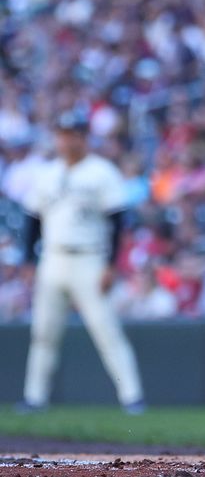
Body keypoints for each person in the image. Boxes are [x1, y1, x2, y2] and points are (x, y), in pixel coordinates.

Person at [16, 112, 145, 414]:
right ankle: (34, 398)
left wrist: (111, 264)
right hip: (52, 259)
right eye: (61, 133)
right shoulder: (46, 173)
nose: (66, 139)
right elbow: (31, 220)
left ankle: (132, 397)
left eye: (72, 133)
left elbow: (117, 221)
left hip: (90, 259)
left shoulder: (102, 172)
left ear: (84, 137)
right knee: (43, 333)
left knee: (106, 331)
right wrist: (27, 261)